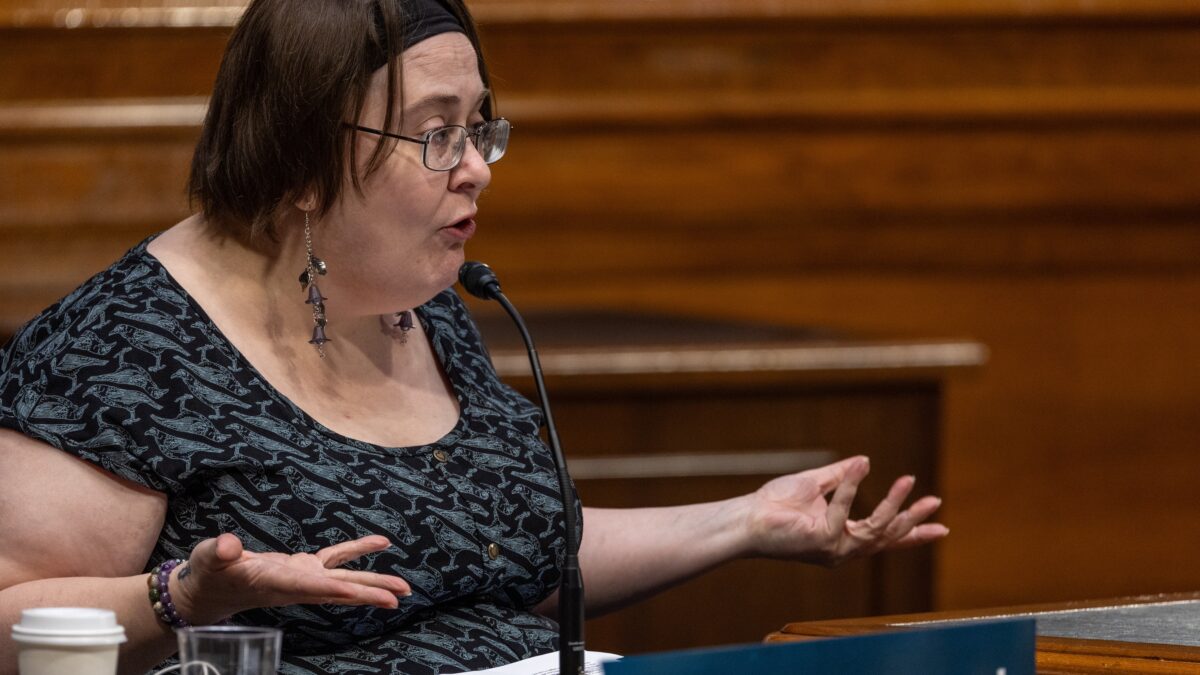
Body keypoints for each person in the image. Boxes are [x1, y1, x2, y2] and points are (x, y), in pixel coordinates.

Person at [0, 0, 949, 673]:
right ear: (300, 161)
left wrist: (747, 520)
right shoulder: (123, 348)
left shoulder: (419, 297)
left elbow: (511, 557)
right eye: (436, 135)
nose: (477, 171)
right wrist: (184, 600)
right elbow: (11, 626)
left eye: (480, 128)